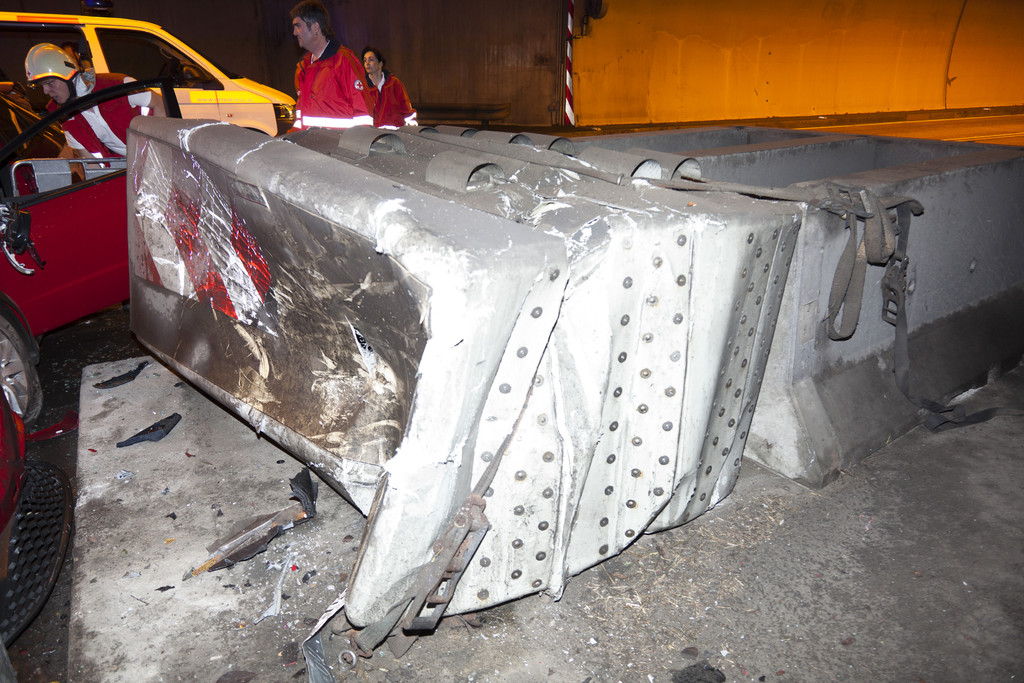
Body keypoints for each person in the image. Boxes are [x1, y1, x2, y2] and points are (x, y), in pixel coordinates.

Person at [24, 42, 164, 159]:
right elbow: (89, 161)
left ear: (69, 75)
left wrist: (159, 154)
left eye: (50, 83)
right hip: (124, 167)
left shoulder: (117, 85)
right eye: (42, 86)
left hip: (158, 154)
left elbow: (160, 103)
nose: (46, 91)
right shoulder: (64, 116)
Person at [290, 0, 373, 130]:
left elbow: (364, 115)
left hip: (340, 143)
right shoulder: (303, 68)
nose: (295, 32)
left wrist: (355, 142)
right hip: (311, 143)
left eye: (298, 26)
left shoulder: (344, 61)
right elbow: (301, 118)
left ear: (315, 27)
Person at [361, 47, 417, 129]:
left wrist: (411, 130)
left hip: (395, 133)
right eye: (365, 60)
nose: (367, 63)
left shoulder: (394, 84)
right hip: (373, 133)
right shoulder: (363, 87)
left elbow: (406, 110)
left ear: (380, 63)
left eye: (371, 59)